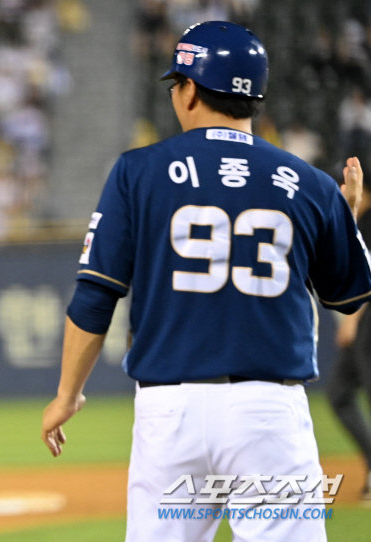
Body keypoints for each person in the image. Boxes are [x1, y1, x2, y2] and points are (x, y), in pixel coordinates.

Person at [41, 21, 371, 542]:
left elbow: (95, 295)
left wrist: (67, 395)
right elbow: (347, 293)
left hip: (169, 414)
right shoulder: (307, 182)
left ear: (190, 89)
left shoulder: (138, 171)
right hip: (269, 414)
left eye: (177, 83)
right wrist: (343, 219)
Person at [326, 183, 371, 501]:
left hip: (366, 324)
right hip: (363, 324)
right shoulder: (360, 220)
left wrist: (351, 320)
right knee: (339, 392)